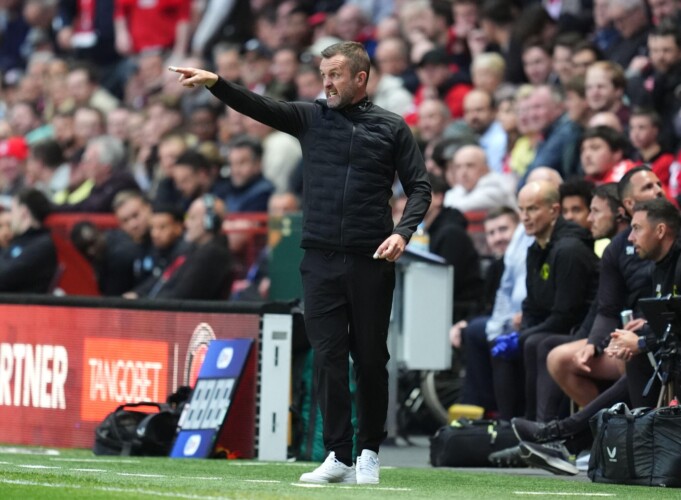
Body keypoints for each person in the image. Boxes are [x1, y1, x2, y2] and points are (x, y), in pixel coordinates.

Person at [170, 41, 431, 485]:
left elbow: (420, 187)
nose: (326, 83)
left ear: (360, 78)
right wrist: (217, 84)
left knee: (370, 359)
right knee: (328, 357)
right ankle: (339, 455)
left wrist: (402, 232)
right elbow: (260, 106)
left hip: (370, 261)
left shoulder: (392, 127)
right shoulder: (311, 117)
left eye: (334, 75)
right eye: (323, 74)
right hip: (319, 260)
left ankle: (369, 451)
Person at [0, 188, 57, 293]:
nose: (10, 218)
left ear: (23, 212)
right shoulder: (19, 241)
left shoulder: (42, 246)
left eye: (12, 211)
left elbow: (6, 277)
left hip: (20, 302)